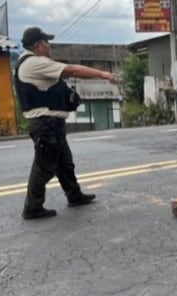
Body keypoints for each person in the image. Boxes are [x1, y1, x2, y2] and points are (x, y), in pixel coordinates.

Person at [14, 26, 117, 220]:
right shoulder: (34, 63)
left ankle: (74, 195)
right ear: (37, 45)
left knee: (64, 164)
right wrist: (103, 75)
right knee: (44, 166)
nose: (49, 45)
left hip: (51, 123)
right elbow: (70, 70)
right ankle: (33, 207)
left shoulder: (29, 62)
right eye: (46, 42)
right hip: (45, 124)